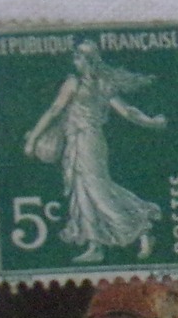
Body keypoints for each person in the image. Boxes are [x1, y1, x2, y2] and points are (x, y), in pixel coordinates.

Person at [21, 40, 165, 264]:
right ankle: (94, 245)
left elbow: (55, 110)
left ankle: (140, 230)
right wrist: (151, 122)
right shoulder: (95, 84)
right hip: (76, 141)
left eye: (78, 57)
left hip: (88, 141)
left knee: (98, 191)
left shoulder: (81, 83)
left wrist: (33, 138)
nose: (75, 61)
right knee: (82, 191)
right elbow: (126, 112)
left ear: (87, 60)